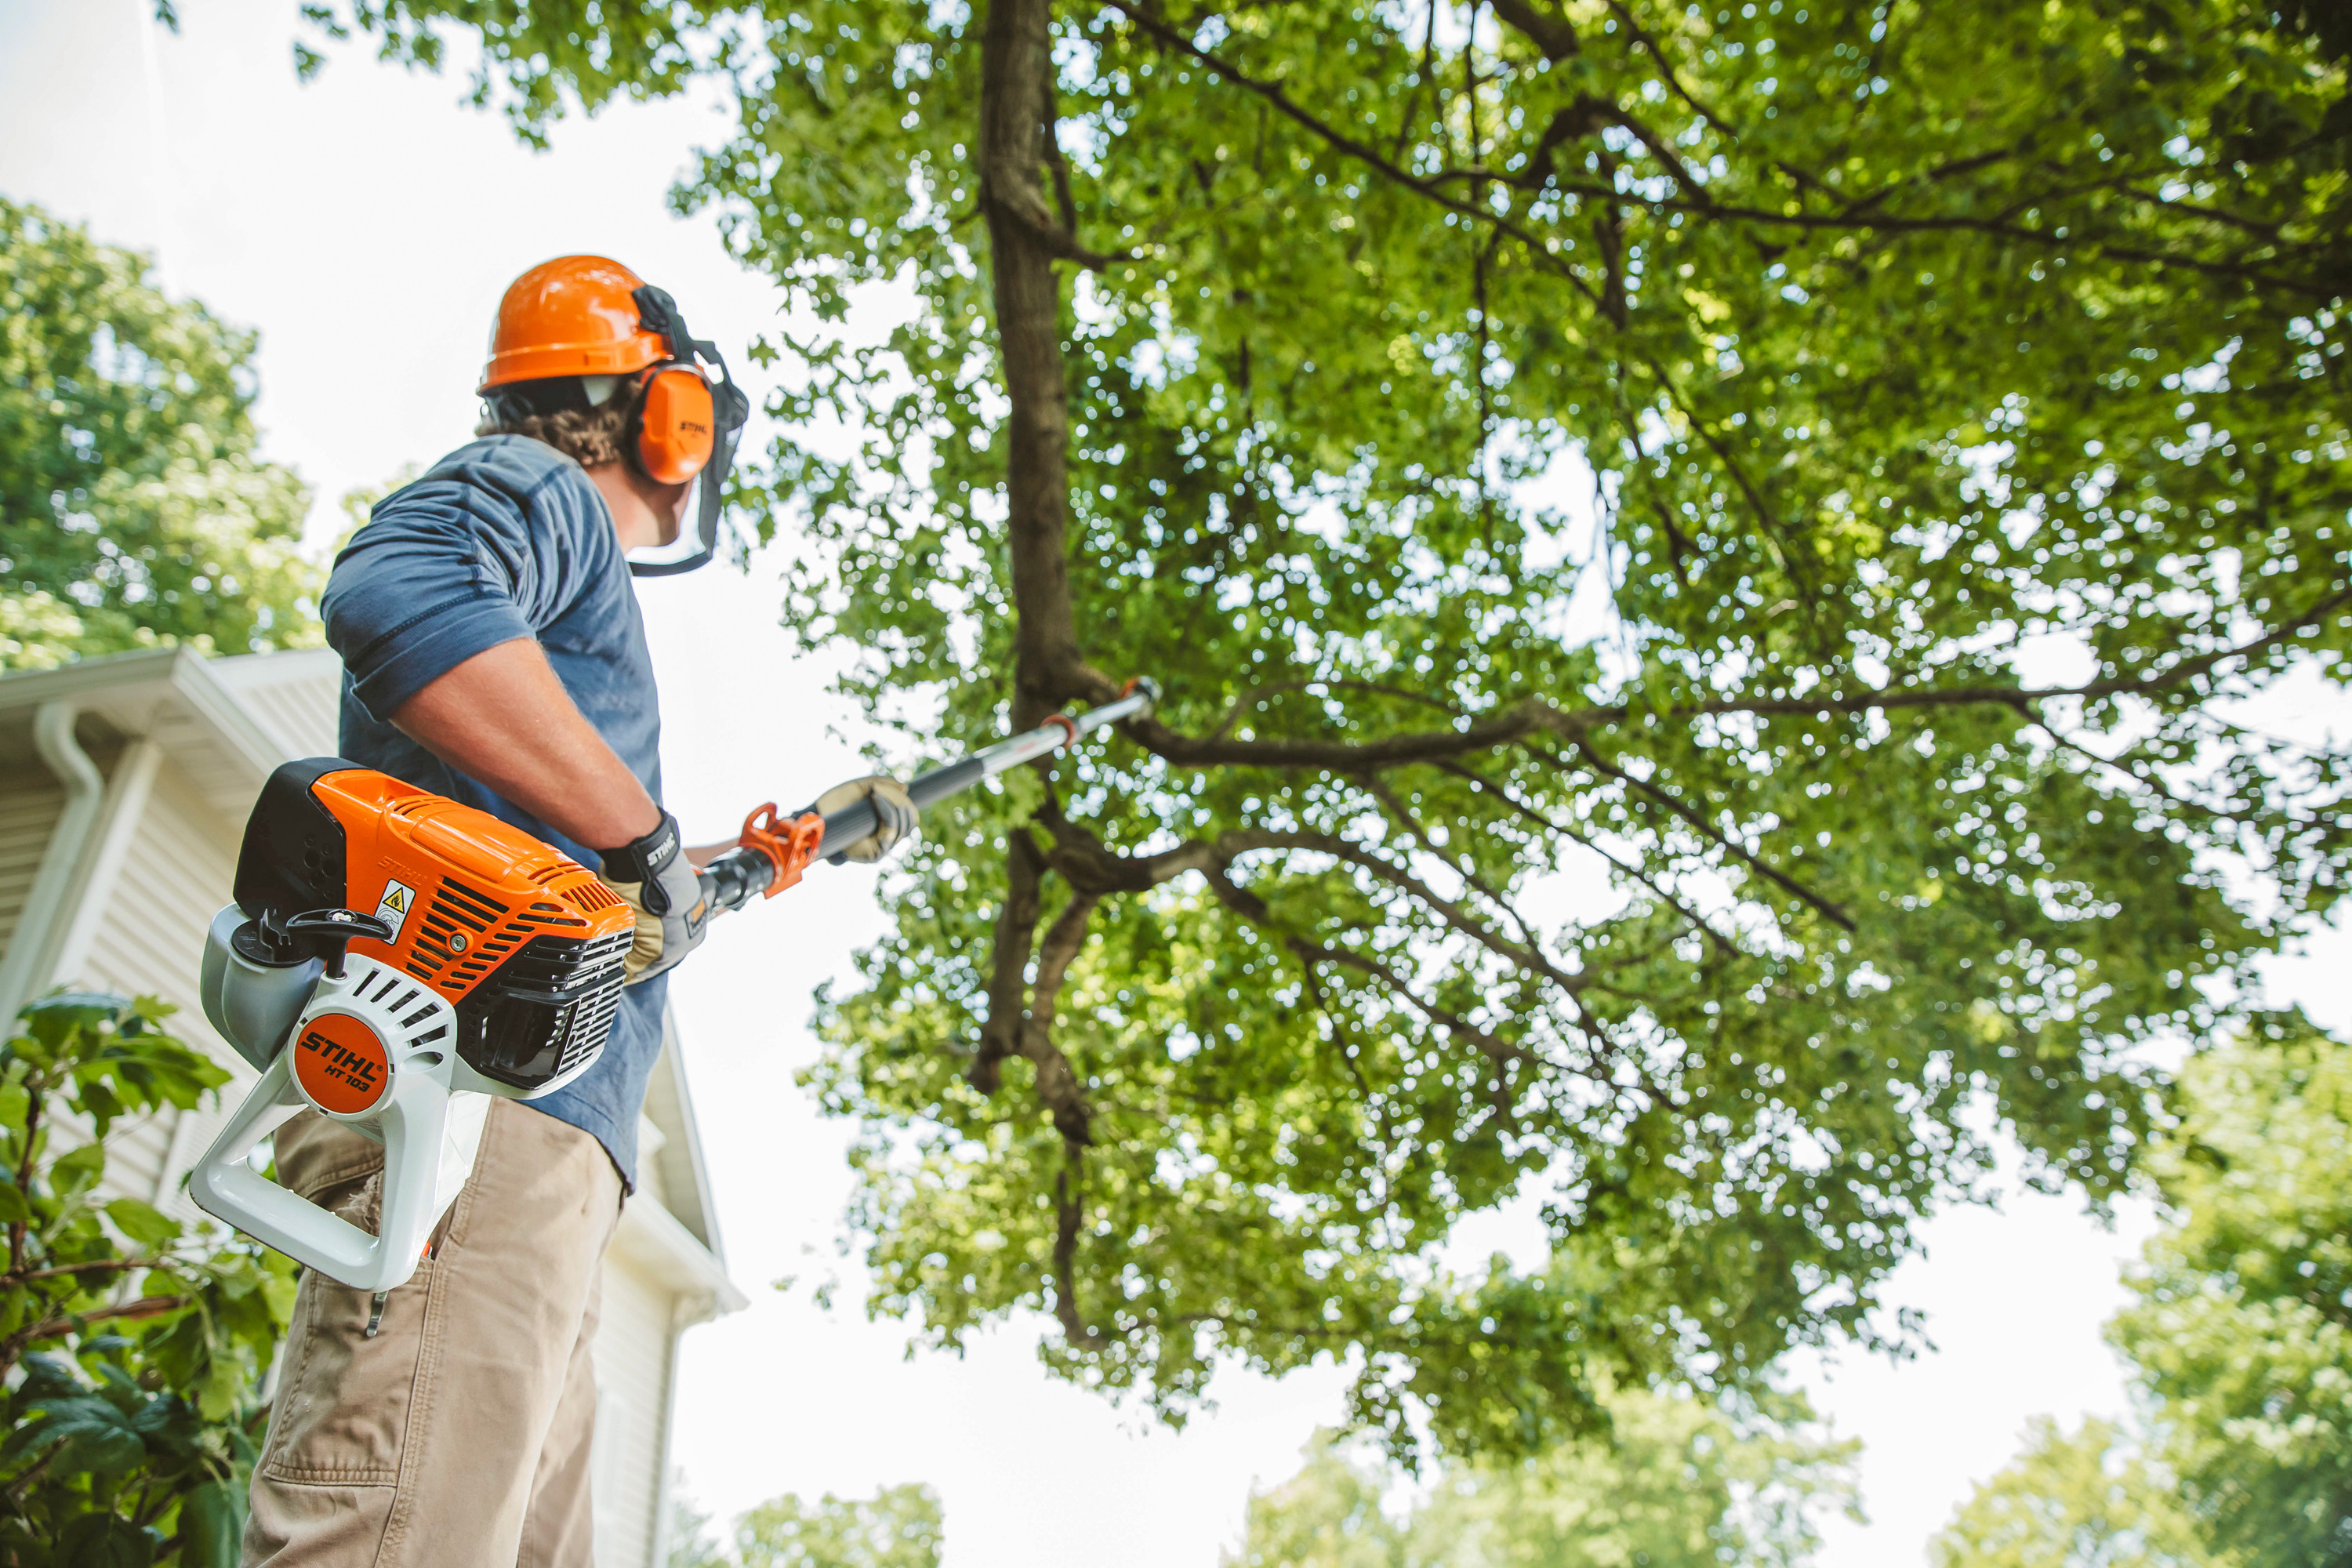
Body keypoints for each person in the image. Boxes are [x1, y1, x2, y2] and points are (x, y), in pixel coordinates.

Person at [239, 255, 915, 1566]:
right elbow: (400, 595)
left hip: (535, 1154)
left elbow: (588, 868)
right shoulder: (534, 487)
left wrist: (724, 861)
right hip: (474, 1125)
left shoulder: (549, 590)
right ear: (664, 412)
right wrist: (647, 837)